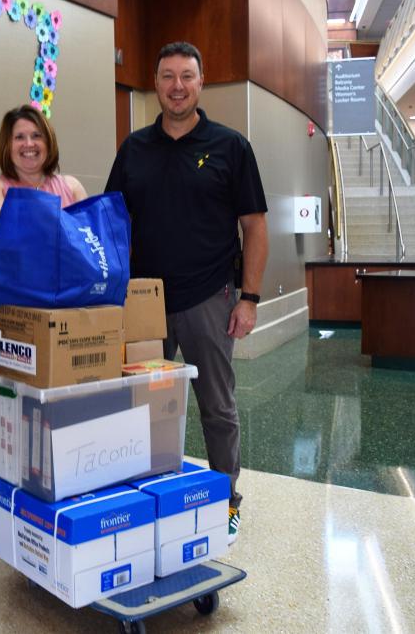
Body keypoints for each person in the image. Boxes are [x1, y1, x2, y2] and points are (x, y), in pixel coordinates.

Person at [104, 41, 268, 545]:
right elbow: (111, 220)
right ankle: (147, 496)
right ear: (155, 84)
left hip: (208, 299)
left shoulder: (230, 147)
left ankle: (227, 498)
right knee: (141, 409)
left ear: (201, 83)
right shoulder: (134, 149)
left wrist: (249, 297)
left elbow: (255, 228)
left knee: (216, 406)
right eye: (168, 76)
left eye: (187, 76)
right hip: (144, 304)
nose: (177, 86)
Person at [0, 104, 87, 397]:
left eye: (36, 135)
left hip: (67, 316)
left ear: (49, 142)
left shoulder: (70, 186)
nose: (29, 144)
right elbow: (8, 241)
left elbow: (90, 249)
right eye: (19, 137)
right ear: (7, 145)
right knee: (16, 416)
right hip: (14, 319)